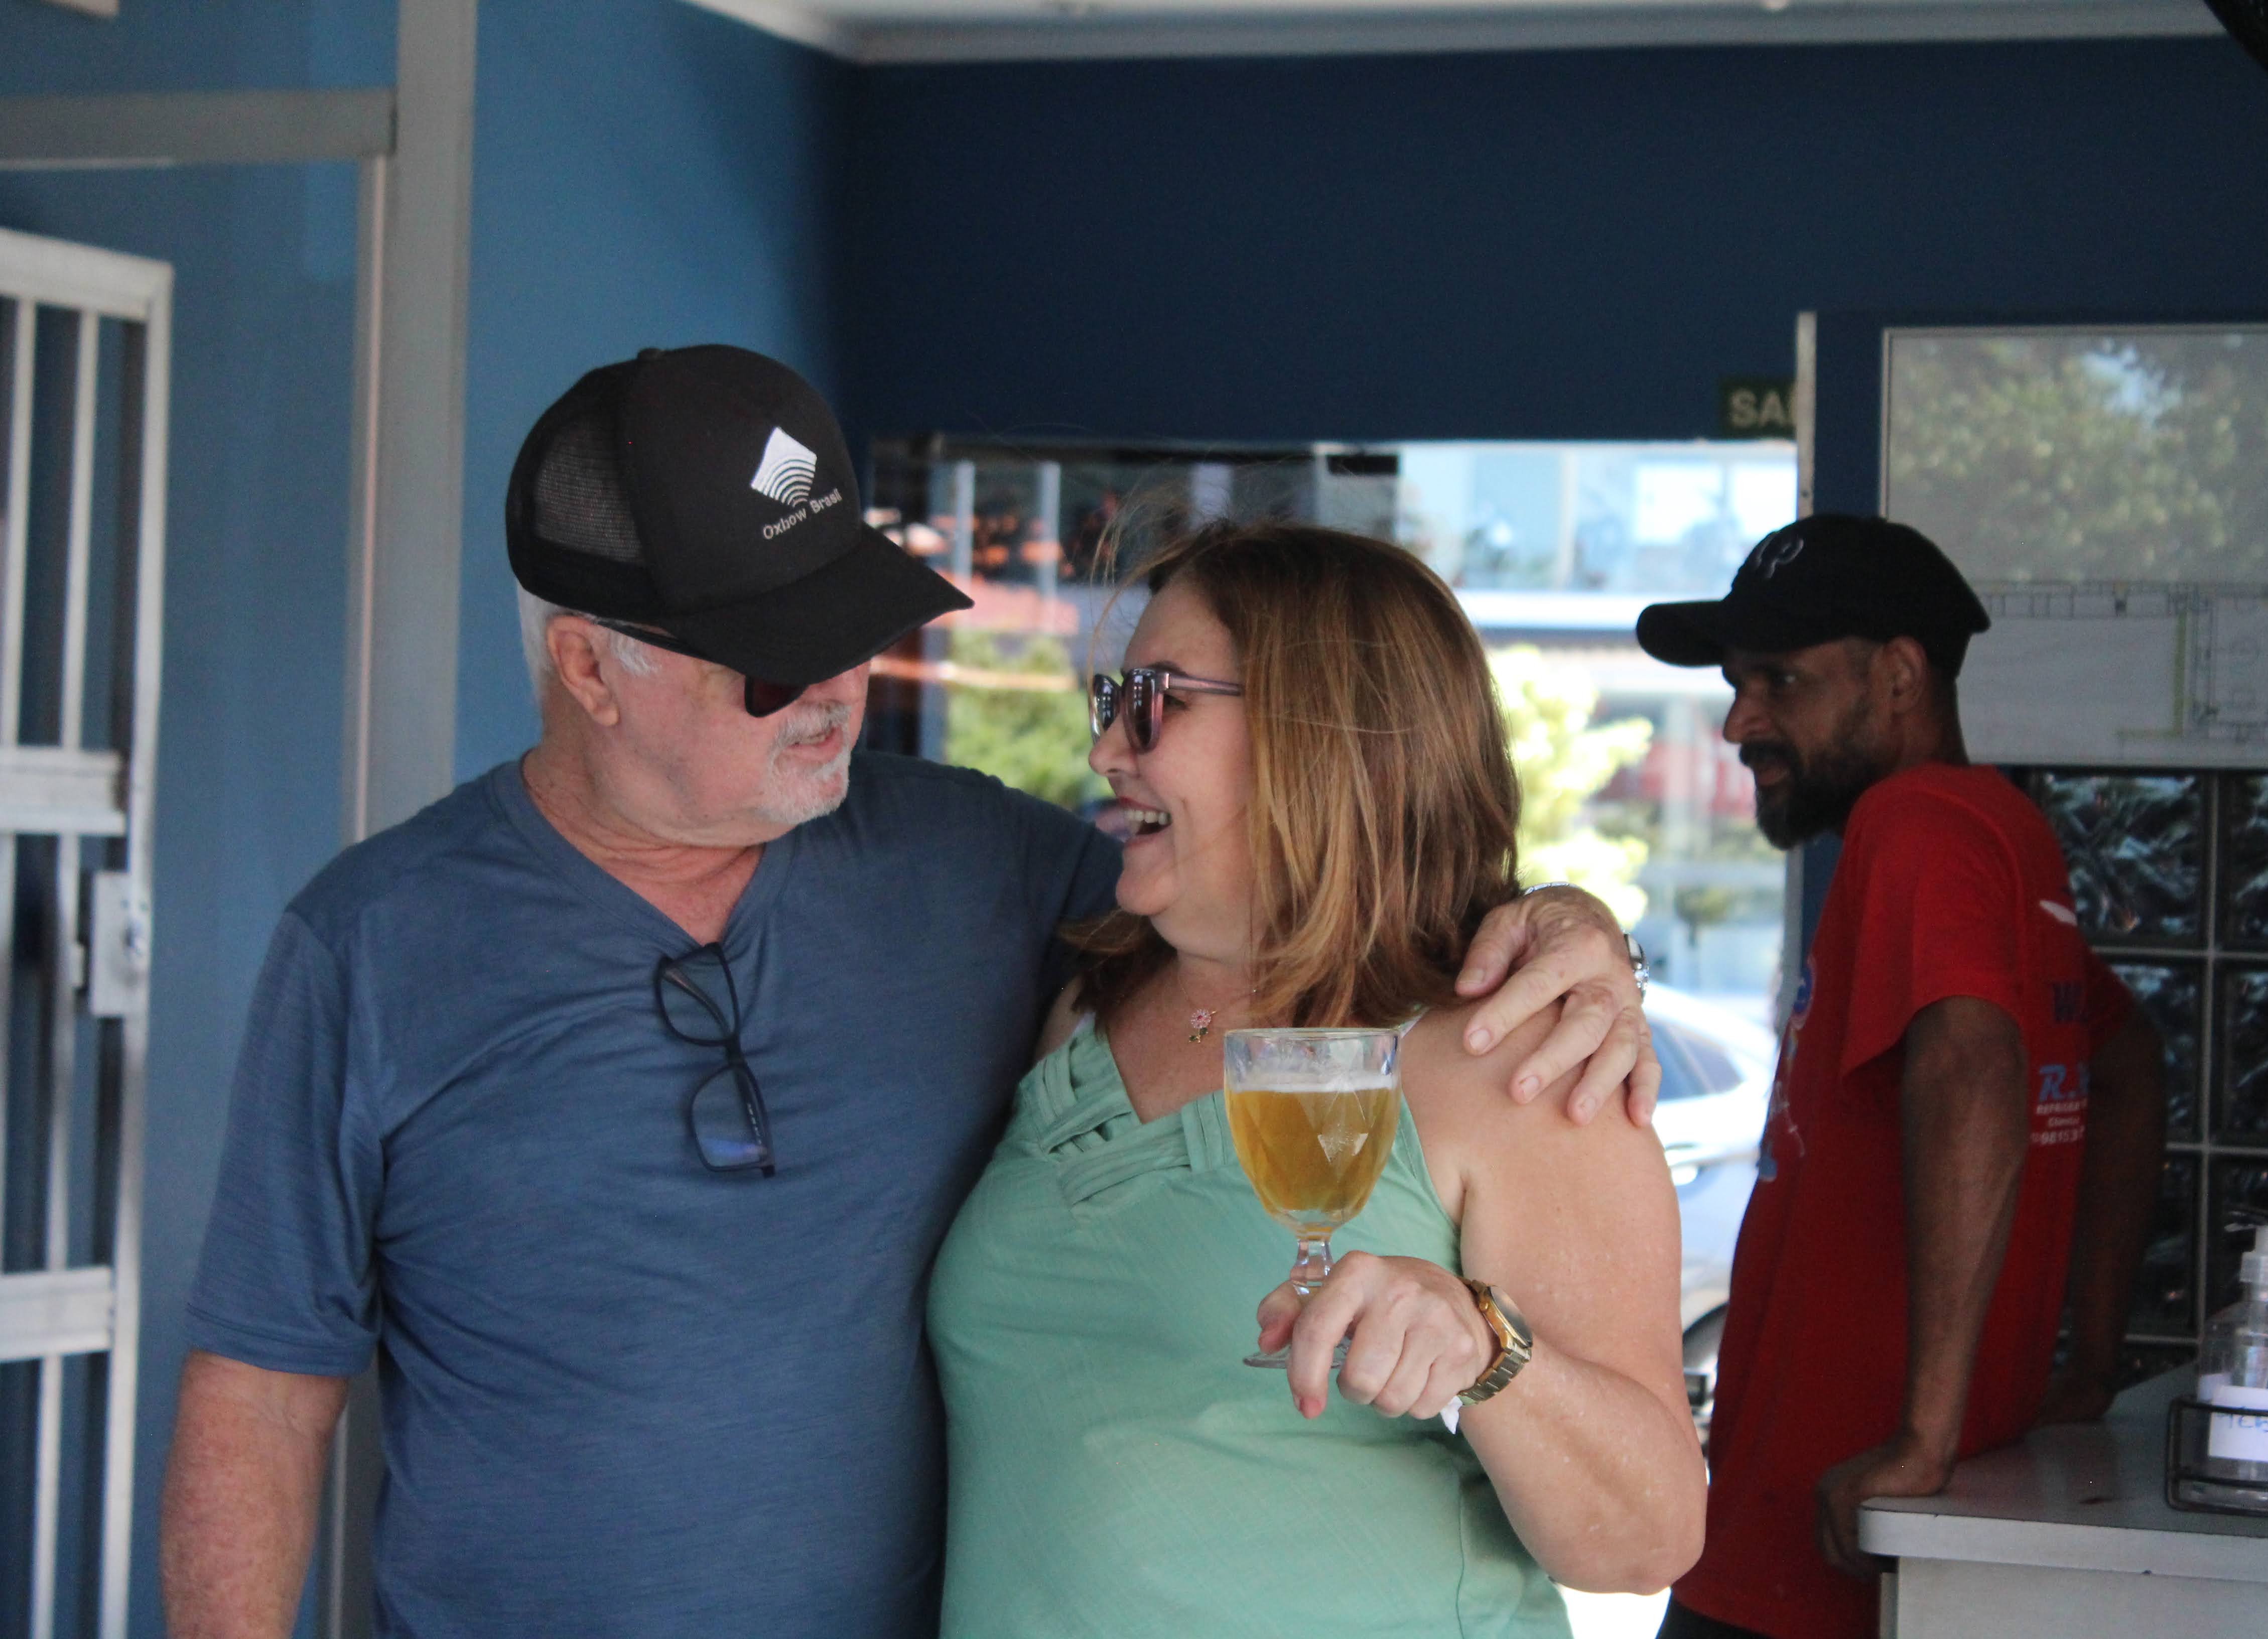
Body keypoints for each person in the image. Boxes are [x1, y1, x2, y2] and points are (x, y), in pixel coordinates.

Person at [157, 346, 1659, 1639]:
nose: (836, 688)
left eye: (852, 628)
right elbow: (263, 1392)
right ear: (591, 670)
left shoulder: (984, 868)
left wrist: (1566, 928)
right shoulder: (373, 947)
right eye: (772, 658)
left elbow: (1303, 897)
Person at [928, 522, 1707, 1637]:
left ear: (1319, 735)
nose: (1105, 749)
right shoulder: (1080, 1015)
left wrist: (1485, 1347)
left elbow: (1646, 1540)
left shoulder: (1507, 1061)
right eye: (1110, 697)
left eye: (1154, 700)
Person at [1635, 515, 2167, 1639]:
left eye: (1780, 680)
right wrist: (2090, 1359)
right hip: (1891, 1539)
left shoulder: (1912, 822)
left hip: (1813, 1547)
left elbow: (1972, 1063)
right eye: (1736, 685)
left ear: (1898, 676)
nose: (1739, 722)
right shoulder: (2004, 833)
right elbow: (2125, 1060)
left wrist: (1922, 1440)